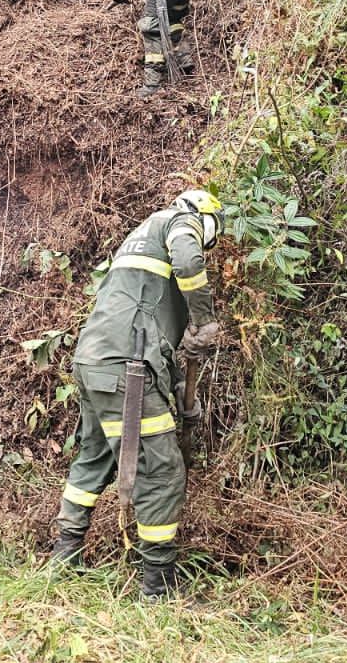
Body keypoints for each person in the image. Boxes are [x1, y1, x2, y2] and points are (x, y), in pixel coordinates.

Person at [48, 189, 225, 599]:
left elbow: (146, 319)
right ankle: (158, 588)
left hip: (95, 363)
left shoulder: (139, 235)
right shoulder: (181, 223)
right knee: (161, 472)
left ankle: (64, 556)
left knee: (95, 456)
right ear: (205, 218)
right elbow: (188, 259)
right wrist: (205, 319)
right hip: (127, 369)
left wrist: (179, 383)